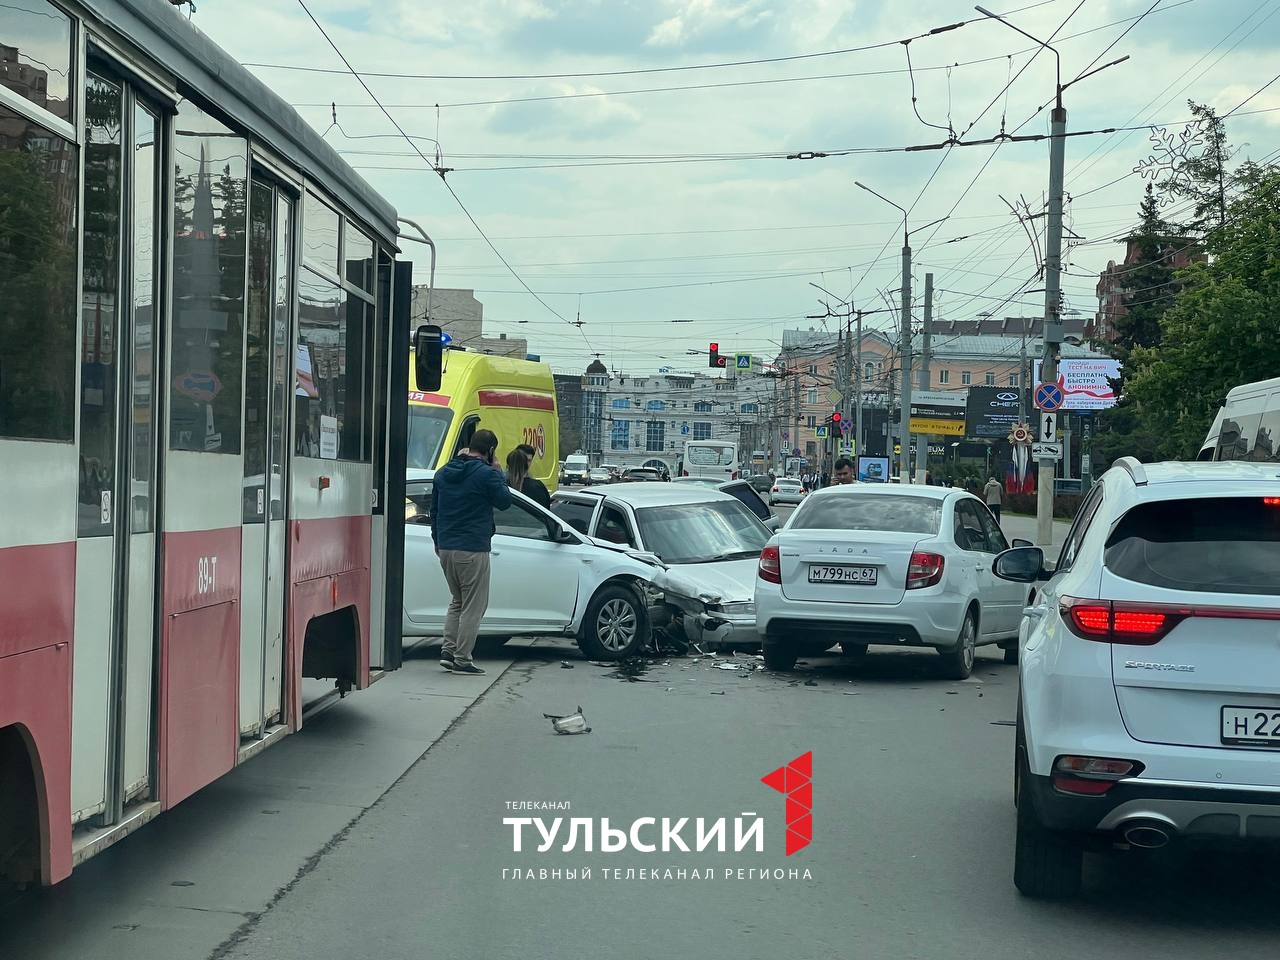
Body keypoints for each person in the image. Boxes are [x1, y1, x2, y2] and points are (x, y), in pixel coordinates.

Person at [430, 429, 511, 675]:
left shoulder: (443, 473)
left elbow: (435, 510)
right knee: (474, 606)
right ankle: (462, 658)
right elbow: (505, 501)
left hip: (445, 546)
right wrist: (498, 472)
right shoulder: (487, 475)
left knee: (458, 601)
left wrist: (437, 540)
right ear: (490, 451)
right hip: (472, 547)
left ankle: (448, 650)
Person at [514, 443, 551, 508]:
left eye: (528, 460)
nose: (525, 464)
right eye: (523, 459)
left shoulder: (537, 487)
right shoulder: (505, 484)